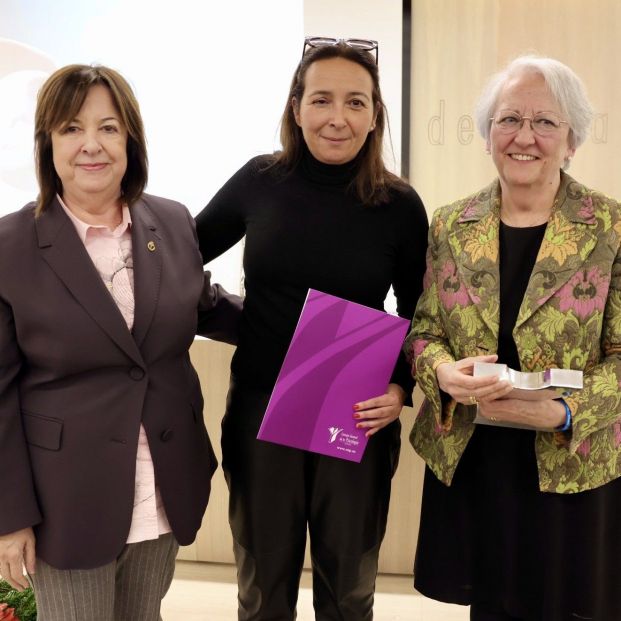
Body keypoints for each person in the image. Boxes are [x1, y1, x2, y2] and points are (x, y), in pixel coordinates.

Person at [195, 37, 428, 620]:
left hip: (354, 413)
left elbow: (422, 311)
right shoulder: (259, 180)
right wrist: (237, 322)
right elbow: (179, 258)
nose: (337, 117)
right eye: (321, 99)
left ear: (376, 116)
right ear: (296, 107)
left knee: (349, 588)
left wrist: (401, 388)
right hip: (260, 411)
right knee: (262, 585)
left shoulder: (398, 203)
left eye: (356, 102)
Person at [0, 64, 241, 621]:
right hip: (65, 500)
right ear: (47, 144)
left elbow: (208, 307)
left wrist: (333, 340)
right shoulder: (11, 246)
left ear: (131, 138)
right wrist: (10, 516)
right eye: (70, 129)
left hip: (161, 487)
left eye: (108, 128)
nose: (92, 145)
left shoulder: (172, 222)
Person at [405, 54, 621, 621]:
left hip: (569, 466)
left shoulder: (610, 227)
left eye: (545, 122)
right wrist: (441, 374)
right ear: (487, 135)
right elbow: (425, 330)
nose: (525, 137)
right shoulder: (452, 225)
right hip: (476, 459)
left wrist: (562, 414)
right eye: (508, 120)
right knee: (491, 606)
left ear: (572, 138)